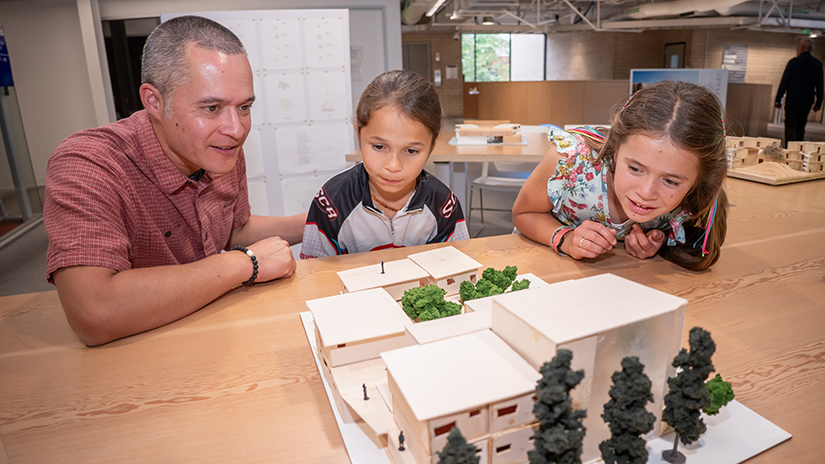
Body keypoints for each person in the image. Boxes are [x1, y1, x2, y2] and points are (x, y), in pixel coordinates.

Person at [44, 16, 305, 346]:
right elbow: (94, 312)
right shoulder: (88, 164)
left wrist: (322, 217)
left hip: (214, 333)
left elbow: (234, 230)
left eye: (244, 107)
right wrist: (246, 263)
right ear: (154, 101)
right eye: (212, 107)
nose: (237, 130)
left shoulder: (218, 145)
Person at [512, 80, 728, 271]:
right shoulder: (570, 159)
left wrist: (658, 246)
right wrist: (566, 239)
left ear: (700, 181)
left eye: (670, 181)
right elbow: (524, 213)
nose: (645, 193)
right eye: (635, 169)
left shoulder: (694, 200)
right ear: (615, 149)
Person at [300, 70, 469, 259]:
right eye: (379, 146)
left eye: (411, 151)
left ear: (432, 146)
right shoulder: (331, 202)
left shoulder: (443, 205)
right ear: (358, 135)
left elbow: (457, 269)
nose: (394, 165)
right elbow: (314, 277)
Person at [775, 37, 824, 147]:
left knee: (790, 125)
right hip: (807, 101)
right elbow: (820, 86)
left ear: (802, 48)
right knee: (801, 126)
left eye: (798, 47)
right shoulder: (817, 64)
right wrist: (818, 103)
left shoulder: (793, 63)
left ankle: (789, 148)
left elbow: (784, 82)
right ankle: (798, 148)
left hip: (792, 99)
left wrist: (778, 99)